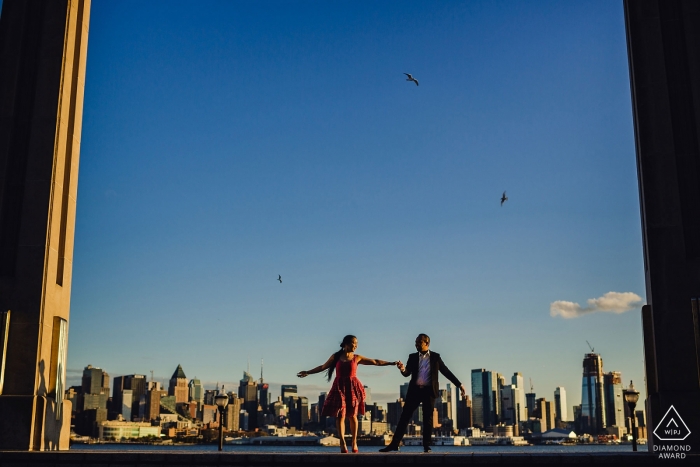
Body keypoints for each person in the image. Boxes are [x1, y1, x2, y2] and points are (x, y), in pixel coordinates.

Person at [298, 335, 398, 453]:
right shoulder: (336, 357)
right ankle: (343, 443)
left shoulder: (357, 358)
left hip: (352, 387)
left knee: (353, 416)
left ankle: (354, 442)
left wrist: (391, 363)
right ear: (345, 344)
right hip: (339, 387)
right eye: (353, 343)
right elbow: (323, 367)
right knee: (340, 415)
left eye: (356, 344)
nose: (355, 346)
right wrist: (308, 372)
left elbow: (375, 362)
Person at [379, 333, 466, 453]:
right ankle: (394, 444)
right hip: (414, 391)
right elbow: (407, 373)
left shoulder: (435, 357)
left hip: (429, 392)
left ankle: (426, 446)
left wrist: (459, 385)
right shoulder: (412, 357)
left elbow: (446, 371)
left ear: (427, 343)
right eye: (415, 342)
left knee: (428, 419)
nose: (416, 345)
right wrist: (402, 368)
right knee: (404, 417)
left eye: (419, 342)